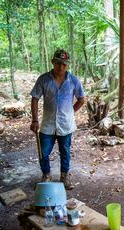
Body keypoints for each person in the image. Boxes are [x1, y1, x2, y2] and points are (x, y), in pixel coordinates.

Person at [30, 49, 86, 189]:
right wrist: (35, 120)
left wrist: (70, 113)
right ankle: (46, 175)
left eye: (64, 64)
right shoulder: (43, 79)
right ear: (53, 62)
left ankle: (64, 177)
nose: (61, 67)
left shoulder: (73, 80)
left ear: (68, 65)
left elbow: (81, 99)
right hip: (47, 124)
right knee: (44, 151)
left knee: (65, 152)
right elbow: (35, 99)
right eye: (58, 63)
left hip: (66, 125)